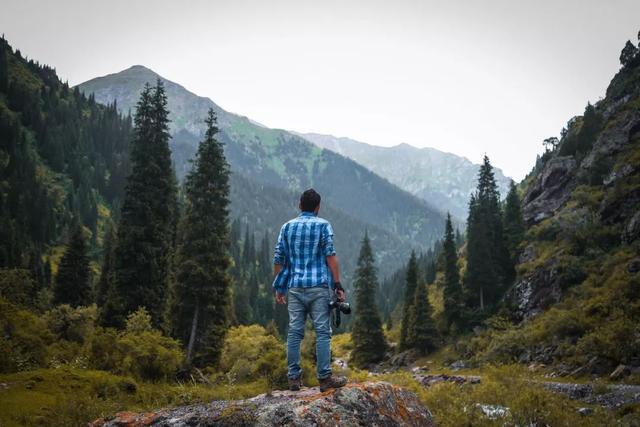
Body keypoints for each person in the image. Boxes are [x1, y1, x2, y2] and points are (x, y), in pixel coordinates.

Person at [273, 188, 348, 392]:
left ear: (299, 205)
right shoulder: (323, 225)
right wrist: (337, 284)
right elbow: (330, 256)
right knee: (323, 332)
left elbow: (278, 258)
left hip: (295, 288)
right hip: (318, 288)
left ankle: (294, 380)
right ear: (318, 207)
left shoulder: (286, 227)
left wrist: (280, 287)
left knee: (295, 332)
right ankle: (324, 379)